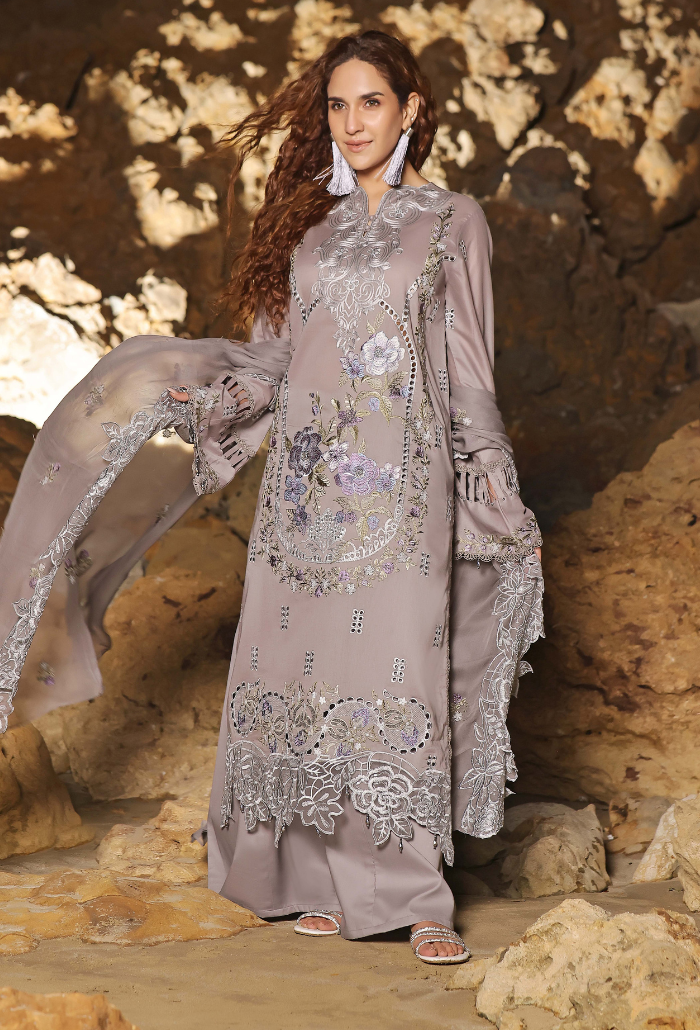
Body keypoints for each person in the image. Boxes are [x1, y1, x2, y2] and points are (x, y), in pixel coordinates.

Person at [0, 31, 543, 965]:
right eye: (338, 105)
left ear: (410, 109)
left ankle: (413, 897)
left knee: (395, 676)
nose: (353, 122)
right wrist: (206, 399)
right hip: (302, 493)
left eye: (371, 102)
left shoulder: (453, 221)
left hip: (404, 492)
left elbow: (469, 365)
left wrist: (489, 472)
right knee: (299, 676)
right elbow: (277, 360)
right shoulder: (310, 231)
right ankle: (307, 879)